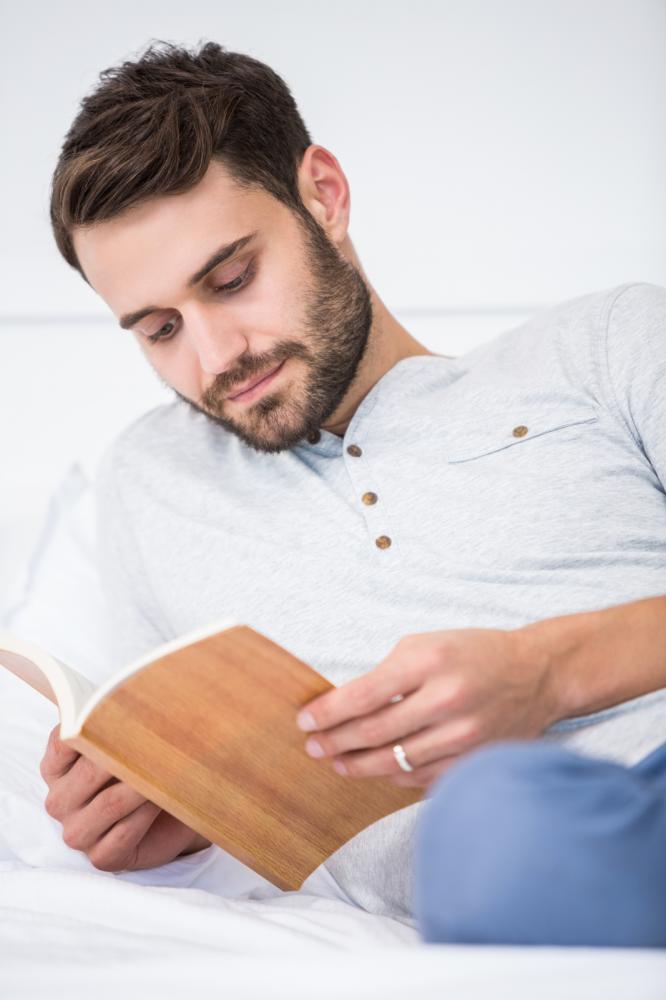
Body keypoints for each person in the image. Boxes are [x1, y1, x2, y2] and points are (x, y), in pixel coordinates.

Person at [40, 39, 666, 940]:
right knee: (490, 820)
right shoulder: (150, 485)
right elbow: (200, 778)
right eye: (161, 329)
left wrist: (547, 672)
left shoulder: (606, 345)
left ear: (323, 195)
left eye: (232, 279)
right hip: (499, 862)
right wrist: (182, 822)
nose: (217, 360)